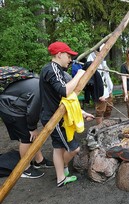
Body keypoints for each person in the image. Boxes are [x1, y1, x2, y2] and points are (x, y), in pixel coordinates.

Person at [39, 41, 93, 187]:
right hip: (53, 118)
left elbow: (65, 99)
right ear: (59, 54)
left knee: (58, 147)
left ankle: (61, 177)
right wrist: (79, 75)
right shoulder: (52, 69)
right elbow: (65, 91)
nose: (70, 60)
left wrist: (81, 112)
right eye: (68, 56)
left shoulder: (53, 69)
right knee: (74, 148)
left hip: (55, 115)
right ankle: (62, 168)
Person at [0, 77, 54, 178]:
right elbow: (33, 110)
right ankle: (25, 168)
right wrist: (32, 127)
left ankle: (39, 161)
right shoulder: (40, 89)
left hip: (17, 104)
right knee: (26, 137)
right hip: (9, 107)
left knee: (32, 135)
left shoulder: (43, 83)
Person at [87, 44, 114, 124]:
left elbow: (106, 75)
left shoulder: (102, 61)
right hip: (100, 92)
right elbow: (91, 80)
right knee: (100, 111)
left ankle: (106, 126)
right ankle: (100, 129)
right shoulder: (91, 61)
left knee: (109, 108)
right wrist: (98, 94)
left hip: (107, 90)